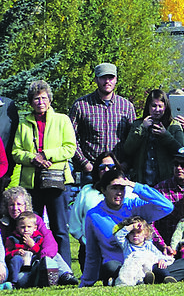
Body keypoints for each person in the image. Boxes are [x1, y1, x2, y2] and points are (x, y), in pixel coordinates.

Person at [10, 80, 77, 270]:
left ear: (49, 100)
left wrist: (47, 155)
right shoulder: (23, 123)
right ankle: (35, 268)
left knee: (59, 229)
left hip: (57, 181)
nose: (40, 102)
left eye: (44, 98)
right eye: (36, 99)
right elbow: (16, 152)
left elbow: (70, 148)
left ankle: (64, 270)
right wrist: (33, 158)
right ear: (31, 102)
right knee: (31, 227)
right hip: (32, 183)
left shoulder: (62, 120)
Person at [81, 167, 174, 286]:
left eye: (122, 188)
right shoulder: (93, 215)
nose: (119, 192)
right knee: (110, 266)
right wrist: (86, 283)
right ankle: (150, 278)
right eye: (114, 188)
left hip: (145, 264)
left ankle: (153, 276)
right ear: (103, 190)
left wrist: (133, 185)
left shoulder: (134, 206)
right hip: (118, 266)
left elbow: (167, 206)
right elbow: (92, 253)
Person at [68, 63, 136, 190]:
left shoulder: (127, 106)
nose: (107, 81)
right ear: (96, 79)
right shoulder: (81, 105)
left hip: (118, 171)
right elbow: (70, 138)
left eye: (111, 78)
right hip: (92, 171)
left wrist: (125, 164)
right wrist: (85, 164)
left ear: (116, 79)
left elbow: (133, 140)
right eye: (103, 77)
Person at [1, 187, 75, 284]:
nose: (15, 208)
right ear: (6, 207)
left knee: (54, 255)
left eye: (19, 204)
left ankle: (65, 274)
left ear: (25, 205)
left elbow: (49, 242)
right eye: (11, 205)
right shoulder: (4, 223)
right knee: (21, 279)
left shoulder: (35, 220)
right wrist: (15, 253)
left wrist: (43, 256)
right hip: (16, 263)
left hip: (37, 256)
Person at [120, 89, 184, 186]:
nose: (157, 110)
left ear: (165, 107)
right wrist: (142, 129)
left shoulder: (174, 125)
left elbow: (181, 152)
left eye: (160, 106)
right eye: (154, 106)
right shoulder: (138, 124)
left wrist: (165, 136)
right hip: (142, 180)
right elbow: (128, 149)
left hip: (166, 181)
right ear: (148, 107)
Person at [114, 216, 173, 286]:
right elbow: (118, 236)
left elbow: (158, 254)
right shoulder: (127, 245)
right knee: (132, 271)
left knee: (159, 268)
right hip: (135, 268)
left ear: (146, 234)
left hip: (149, 267)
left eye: (138, 232)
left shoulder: (148, 245)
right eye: (132, 232)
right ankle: (144, 280)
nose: (135, 235)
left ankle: (167, 278)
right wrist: (132, 226)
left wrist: (162, 260)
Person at [5, 212, 54, 288]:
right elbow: (7, 253)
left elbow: (40, 252)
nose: (26, 230)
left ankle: (42, 279)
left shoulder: (38, 238)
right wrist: (15, 252)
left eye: (29, 227)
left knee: (39, 261)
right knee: (16, 259)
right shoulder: (13, 238)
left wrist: (33, 245)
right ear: (17, 228)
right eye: (22, 227)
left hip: (32, 262)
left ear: (35, 228)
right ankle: (13, 282)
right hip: (20, 267)